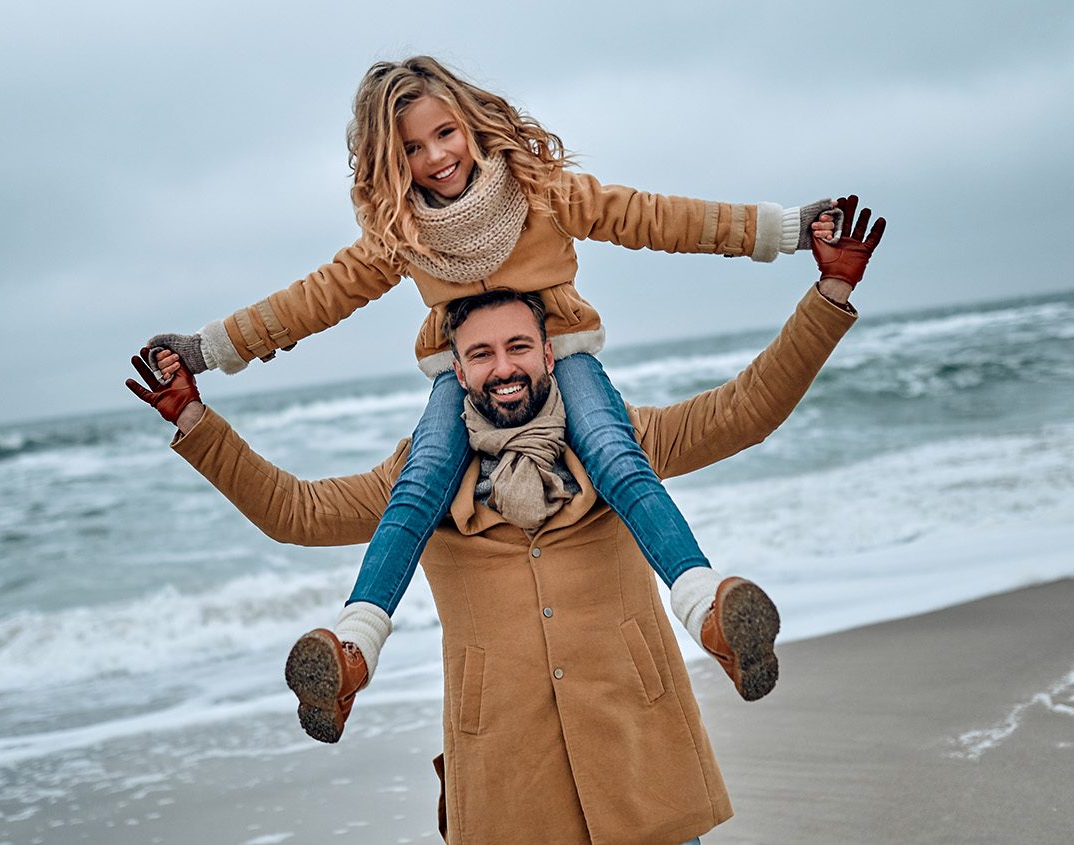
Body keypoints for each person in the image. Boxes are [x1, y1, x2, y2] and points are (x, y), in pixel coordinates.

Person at [127, 198, 886, 844]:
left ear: (551, 355)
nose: (504, 365)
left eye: (519, 345)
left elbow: (746, 411)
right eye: (482, 353)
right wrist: (195, 419)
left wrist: (829, 294)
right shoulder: (419, 478)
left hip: (642, 761)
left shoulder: (620, 440)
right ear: (456, 371)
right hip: (505, 785)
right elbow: (295, 511)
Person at [142, 55, 843, 743]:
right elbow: (310, 307)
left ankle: (708, 609)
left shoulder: (542, 194)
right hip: (506, 771)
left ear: (472, 126)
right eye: (411, 148)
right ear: (391, 162)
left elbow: (657, 221)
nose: (435, 157)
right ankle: (353, 649)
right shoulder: (401, 235)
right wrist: (204, 361)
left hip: (636, 748)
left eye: (444, 133)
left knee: (615, 456)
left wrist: (784, 235)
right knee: (416, 489)